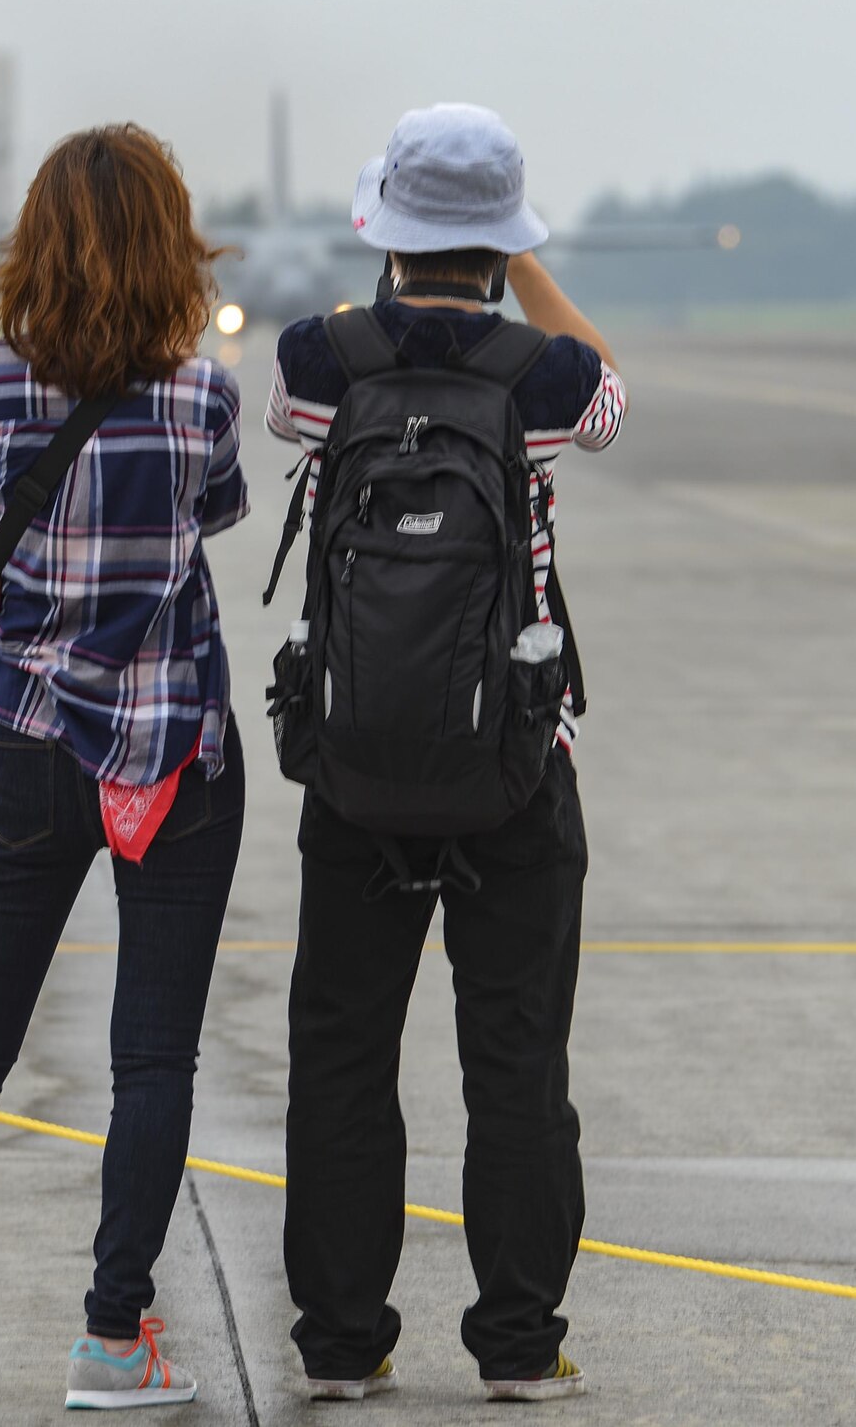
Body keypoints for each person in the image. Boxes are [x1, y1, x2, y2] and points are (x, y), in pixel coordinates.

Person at [0, 123, 248, 1409]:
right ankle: (110, 1337)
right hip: (169, 753)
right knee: (153, 1059)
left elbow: (0, 508)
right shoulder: (200, 397)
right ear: (167, 250)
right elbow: (216, 513)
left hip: (28, 739)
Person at [264, 104, 628, 1404]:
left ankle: (341, 1342)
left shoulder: (322, 358)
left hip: (355, 762)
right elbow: (609, 398)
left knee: (345, 1055)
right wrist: (524, 268)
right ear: (501, 234)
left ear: (387, 226)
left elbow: (287, 430)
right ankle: (521, 1346)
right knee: (517, 1062)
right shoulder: (541, 373)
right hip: (516, 761)